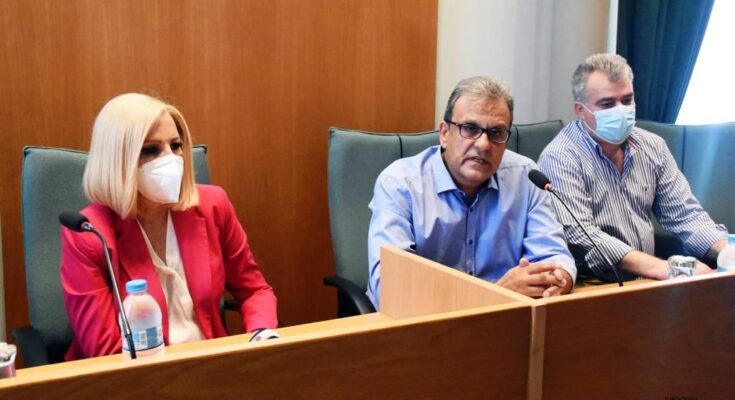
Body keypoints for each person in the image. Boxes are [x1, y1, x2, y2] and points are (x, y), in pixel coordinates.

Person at [61, 93, 278, 360]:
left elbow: (254, 290)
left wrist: (261, 333)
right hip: (139, 373)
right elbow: (105, 350)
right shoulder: (88, 234)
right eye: (151, 150)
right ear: (117, 160)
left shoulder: (213, 205)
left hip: (212, 361)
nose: (171, 159)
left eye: (175, 146)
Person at [367, 77, 576, 309]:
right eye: (470, 129)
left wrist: (559, 278)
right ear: (444, 133)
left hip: (509, 320)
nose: (483, 145)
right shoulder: (400, 184)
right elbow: (389, 290)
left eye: (496, 132)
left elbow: (555, 257)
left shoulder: (526, 177)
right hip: (427, 326)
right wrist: (496, 294)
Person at [538, 53, 727, 283]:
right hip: (591, 285)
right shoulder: (560, 157)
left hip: (647, 281)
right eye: (608, 104)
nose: (621, 110)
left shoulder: (653, 146)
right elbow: (581, 235)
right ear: (580, 110)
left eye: (627, 100)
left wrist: (727, 252)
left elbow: (685, 215)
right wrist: (663, 268)